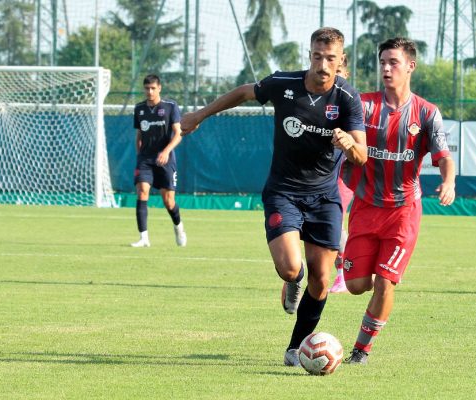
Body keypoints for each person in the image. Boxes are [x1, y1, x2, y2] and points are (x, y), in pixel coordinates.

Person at [180, 27, 367, 366]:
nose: (322, 64)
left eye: (330, 58)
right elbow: (243, 92)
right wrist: (199, 115)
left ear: (341, 60)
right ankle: (293, 282)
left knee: (323, 279)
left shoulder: (348, 98)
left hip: (325, 198)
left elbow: (362, 156)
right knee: (290, 267)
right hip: (284, 191)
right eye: (317, 56)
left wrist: (349, 144)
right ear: (309, 54)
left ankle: (295, 347)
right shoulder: (284, 84)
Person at [340, 37, 456, 364]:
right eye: (382, 63)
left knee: (385, 282)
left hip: (403, 212)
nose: (387, 69)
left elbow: (444, 157)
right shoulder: (362, 106)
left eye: (393, 62)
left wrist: (449, 182)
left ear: (410, 66)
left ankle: (361, 350)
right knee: (357, 285)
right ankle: (346, 261)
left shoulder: (427, 113)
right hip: (365, 207)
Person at [131, 74, 187, 248]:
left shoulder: (170, 107)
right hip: (146, 159)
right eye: (147, 88)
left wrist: (166, 151)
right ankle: (144, 238)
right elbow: (139, 134)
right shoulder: (139, 108)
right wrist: (140, 156)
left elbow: (179, 134)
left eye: (153, 88)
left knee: (168, 201)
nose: (149, 91)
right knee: (142, 192)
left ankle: (178, 228)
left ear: (159, 88)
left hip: (166, 159)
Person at [330, 56, 354, 294]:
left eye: (338, 71)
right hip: (319, 174)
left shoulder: (349, 102)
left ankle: (344, 274)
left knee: (336, 221)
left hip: (343, 174)